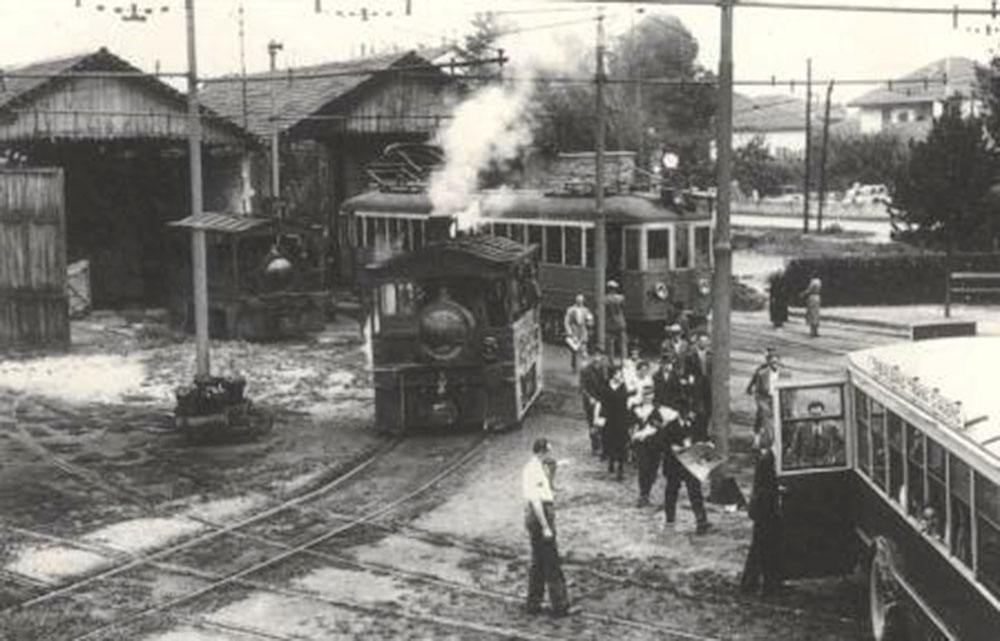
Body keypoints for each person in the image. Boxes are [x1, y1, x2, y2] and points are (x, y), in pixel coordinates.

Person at [522, 438, 572, 617]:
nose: (550, 455)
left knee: (538, 562)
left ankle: (533, 603)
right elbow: (536, 501)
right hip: (540, 515)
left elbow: (550, 468)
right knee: (551, 561)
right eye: (548, 451)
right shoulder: (533, 470)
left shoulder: (536, 466)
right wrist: (545, 527)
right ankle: (560, 605)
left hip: (539, 515)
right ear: (542, 451)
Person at [740, 432, 784, 596]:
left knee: (762, 547)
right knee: (763, 548)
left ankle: (759, 583)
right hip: (765, 510)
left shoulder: (767, 458)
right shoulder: (768, 460)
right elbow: (764, 488)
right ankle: (762, 585)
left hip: (764, 509)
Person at [662, 409, 710, 534]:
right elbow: (663, 443)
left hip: (691, 465)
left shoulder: (695, 425)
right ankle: (670, 521)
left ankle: (701, 521)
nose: (688, 414)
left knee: (695, 492)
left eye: (688, 412)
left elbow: (704, 438)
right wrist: (672, 447)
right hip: (674, 465)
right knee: (671, 493)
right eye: (684, 412)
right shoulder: (670, 426)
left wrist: (704, 444)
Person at [631, 384, 674, 507]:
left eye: (650, 394)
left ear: (654, 395)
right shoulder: (636, 409)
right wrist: (635, 434)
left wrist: (662, 427)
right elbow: (631, 425)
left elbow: (673, 417)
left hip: (655, 444)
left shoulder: (660, 410)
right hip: (641, 444)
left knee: (652, 469)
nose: (647, 397)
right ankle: (643, 494)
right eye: (645, 394)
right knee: (643, 467)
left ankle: (647, 491)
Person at [786, 400, 846, 468]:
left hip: (827, 464)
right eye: (813, 415)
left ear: (823, 413)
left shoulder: (831, 426)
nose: (817, 418)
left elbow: (843, 442)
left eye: (819, 415)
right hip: (806, 465)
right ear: (809, 414)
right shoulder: (802, 427)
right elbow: (795, 447)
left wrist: (834, 456)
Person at [600, 366, 631, 481]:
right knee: (610, 441)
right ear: (613, 375)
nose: (620, 376)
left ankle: (621, 468)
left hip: (621, 418)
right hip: (610, 419)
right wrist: (602, 417)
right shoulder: (606, 386)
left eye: (621, 374)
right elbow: (603, 401)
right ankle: (611, 461)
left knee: (621, 443)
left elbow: (624, 400)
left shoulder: (623, 387)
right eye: (618, 374)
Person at [579, 347, 610, 456]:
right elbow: (582, 387)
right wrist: (589, 398)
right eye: (595, 355)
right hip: (590, 401)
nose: (598, 358)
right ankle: (595, 447)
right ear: (592, 357)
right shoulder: (586, 370)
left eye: (600, 355)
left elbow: (606, 384)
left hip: (602, 400)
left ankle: (602, 445)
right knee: (592, 423)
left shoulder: (604, 369)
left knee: (602, 422)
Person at [746, 349, 781, 440]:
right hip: (764, 397)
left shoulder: (783, 373)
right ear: (768, 362)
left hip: (777, 398)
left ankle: (775, 438)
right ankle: (761, 439)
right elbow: (755, 382)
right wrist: (749, 388)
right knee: (763, 416)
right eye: (772, 362)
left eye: (776, 362)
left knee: (776, 418)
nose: (775, 364)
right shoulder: (761, 371)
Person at [685, 332, 712, 443]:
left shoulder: (711, 355)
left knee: (708, 410)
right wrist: (689, 378)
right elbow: (687, 371)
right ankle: (697, 435)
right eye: (701, 341)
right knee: (698, 410)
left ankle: (705, 434)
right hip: (697, 384)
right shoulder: (691, 355)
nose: (703, 343)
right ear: (698, 343)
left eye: (705, 341)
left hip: (709, 385)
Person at [563, 294, 593, 372]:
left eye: (581, 301)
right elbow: (566, 321)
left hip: (582, 331)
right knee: (574, 351)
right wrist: (569, 332)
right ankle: (574, 367)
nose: (580, 302)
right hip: (574, 331)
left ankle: (584, 368)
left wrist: (590, 322)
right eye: (579, 301)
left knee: (584, 350)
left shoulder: (586, 310)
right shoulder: (571, 310)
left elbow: (589, 320)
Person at [605, 281, 628, 364]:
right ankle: (624, 361)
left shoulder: (605, 299)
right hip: (620, 322)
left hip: (610, 324)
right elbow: (624, 308)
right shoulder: (621, 298)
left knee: (610, 344)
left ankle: (611, 361)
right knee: (622, 344)